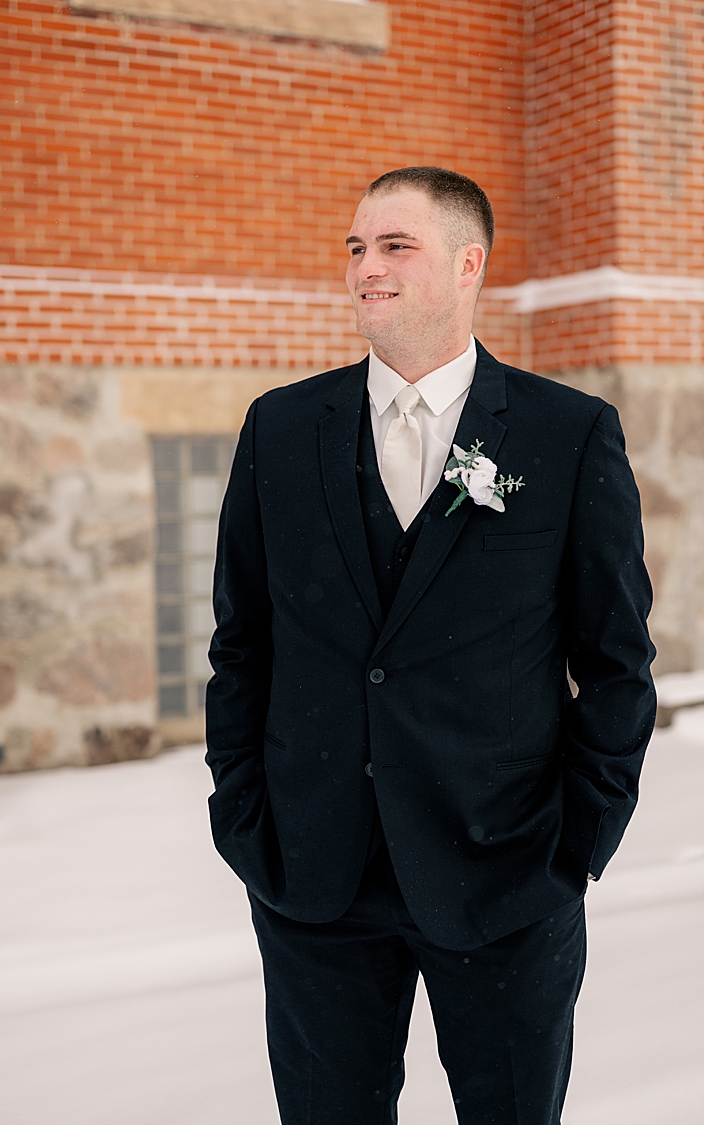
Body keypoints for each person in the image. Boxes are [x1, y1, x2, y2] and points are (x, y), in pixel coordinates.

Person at [205, 167, 655, 1123]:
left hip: (506, 876)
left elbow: (616, 659)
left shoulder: (567, 434)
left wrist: (577, 843)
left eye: (394, 246)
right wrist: (244, 816)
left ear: (468, 264)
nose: (366, 268)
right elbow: (242, 641)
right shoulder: (280, 428)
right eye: (356, 248)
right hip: (312, 877)